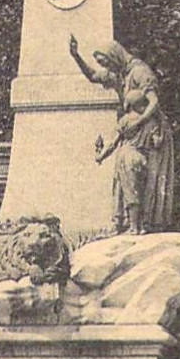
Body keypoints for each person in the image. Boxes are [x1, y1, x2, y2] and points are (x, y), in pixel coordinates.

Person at [68, 34, 174, 235]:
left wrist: (139, 122)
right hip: (134, 130)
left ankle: (146, 225)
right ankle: (128, 224)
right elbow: (93, 76)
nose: (105, 67)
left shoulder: (140, 72)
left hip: (151, 132)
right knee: (125, 174)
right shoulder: (121, 75)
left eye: (105, 62)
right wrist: (76, 56)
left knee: (149, 182)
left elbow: (154, 102)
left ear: (114, 56)